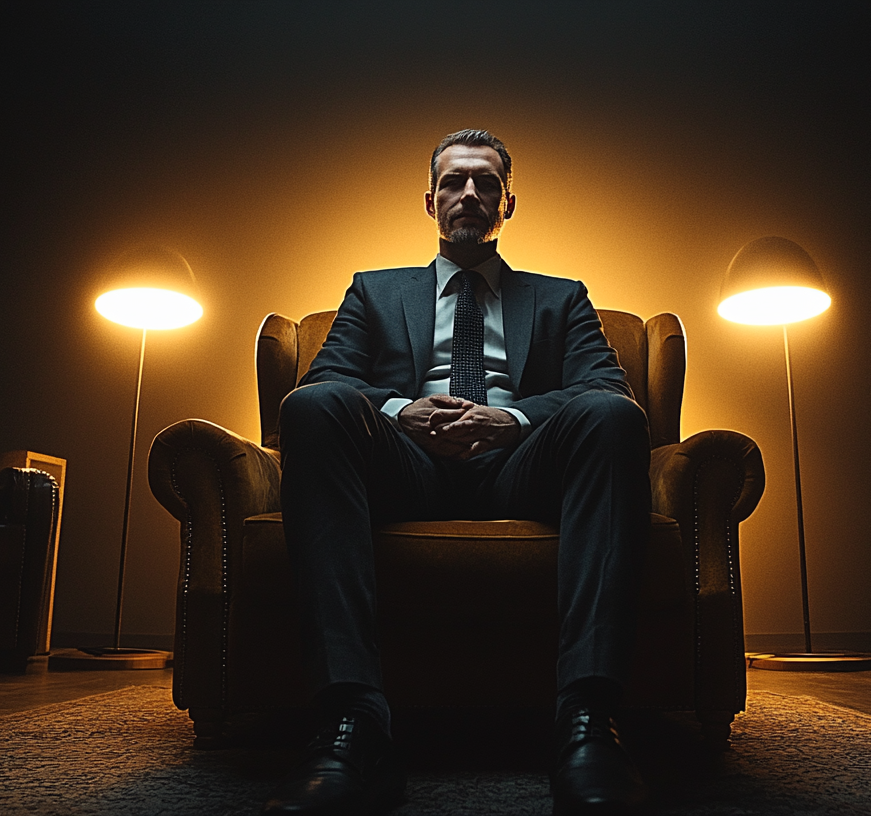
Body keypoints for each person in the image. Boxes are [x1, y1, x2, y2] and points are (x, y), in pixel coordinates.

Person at [262, 129, 650, 816]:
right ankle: (353, 723)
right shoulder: (374, 293)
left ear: (508, 203)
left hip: (518, 467)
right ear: (430, 200)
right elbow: (328, 379)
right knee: (315, 405)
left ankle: (587, 721)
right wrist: (400, 410)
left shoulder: (561, 298)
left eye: (486, 183)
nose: (469, 193)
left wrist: (513, 420)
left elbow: (609, 389)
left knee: (613, 417)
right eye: (453, 182)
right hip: (404, 467)